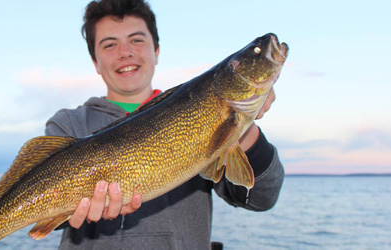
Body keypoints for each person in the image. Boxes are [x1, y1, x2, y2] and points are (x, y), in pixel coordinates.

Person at [44, 0, 284, 249]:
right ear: (95, 62)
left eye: (136, 40)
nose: (125, 52)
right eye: (109, 44)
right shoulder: (68, 125)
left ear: (156, 50)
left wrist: (241, 129)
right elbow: (45, 210)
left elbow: (261, 199)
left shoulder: (199, 109)